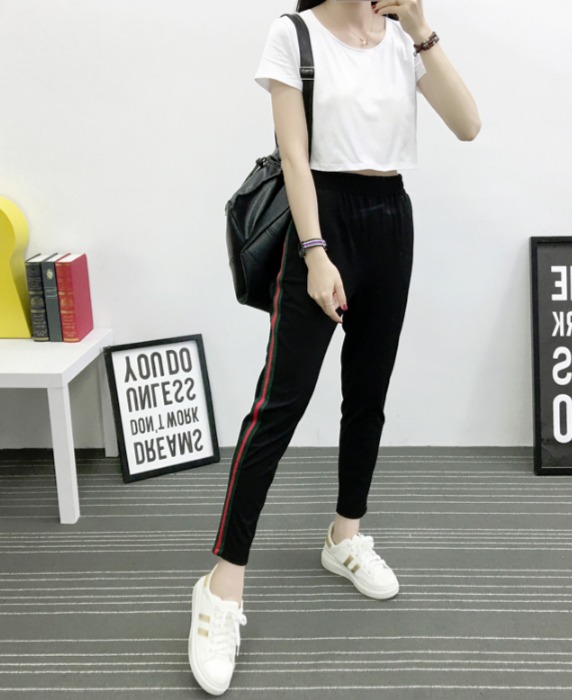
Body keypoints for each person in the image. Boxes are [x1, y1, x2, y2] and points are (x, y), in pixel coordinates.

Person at [188, 0, 480, 694]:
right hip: (321, 224)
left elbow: (468, 124)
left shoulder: (403, 39)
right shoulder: (293, 33)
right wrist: (315, 254)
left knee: (367, 398)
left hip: (391, 220)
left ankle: (344, 536)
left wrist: (420, 29)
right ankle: (221, 586)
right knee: (278, 407)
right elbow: (294, 154)